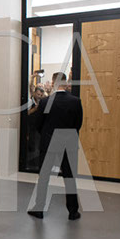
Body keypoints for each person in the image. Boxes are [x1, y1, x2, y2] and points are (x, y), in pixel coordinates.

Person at [28, 72, 83, 220]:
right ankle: (73, 212)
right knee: (69, 177)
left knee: (44, 176)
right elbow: (78, 124)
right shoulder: (76, 101)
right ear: (65, 83)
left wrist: (47, 135)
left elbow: (38, 124)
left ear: (53, 83)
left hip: (49, 143)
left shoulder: (45, 102)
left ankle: (39, 208)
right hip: (68, 144)